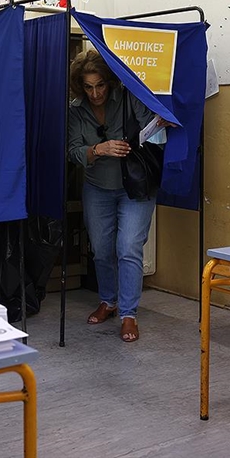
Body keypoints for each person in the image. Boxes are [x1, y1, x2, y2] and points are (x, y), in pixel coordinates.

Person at [67, 49, 168, 343]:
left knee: (128, 247)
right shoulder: (75, 110)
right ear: (80, 86)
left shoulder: (127, 96)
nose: (95, 93)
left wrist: (162, 124)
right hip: (97, 187)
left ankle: (128, 314)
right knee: (101, 249)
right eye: (88, 87)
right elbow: (72, 151)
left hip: (135, 186)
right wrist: (98, 149)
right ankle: (108, 300)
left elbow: (152, 130)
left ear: (109, 81)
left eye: (100, 85)